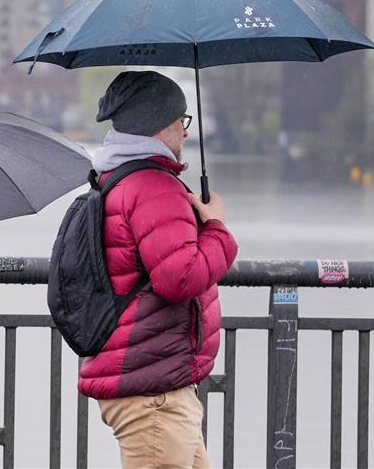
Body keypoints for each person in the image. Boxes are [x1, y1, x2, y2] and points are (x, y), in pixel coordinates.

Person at [79, 71, 238, 469]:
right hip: (153, 393)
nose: (186, 134)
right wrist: (216, 228)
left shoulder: (117, 178)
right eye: (183, 122)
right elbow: (178, 278)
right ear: (163, 124)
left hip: (158, 381)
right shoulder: (153, 186)